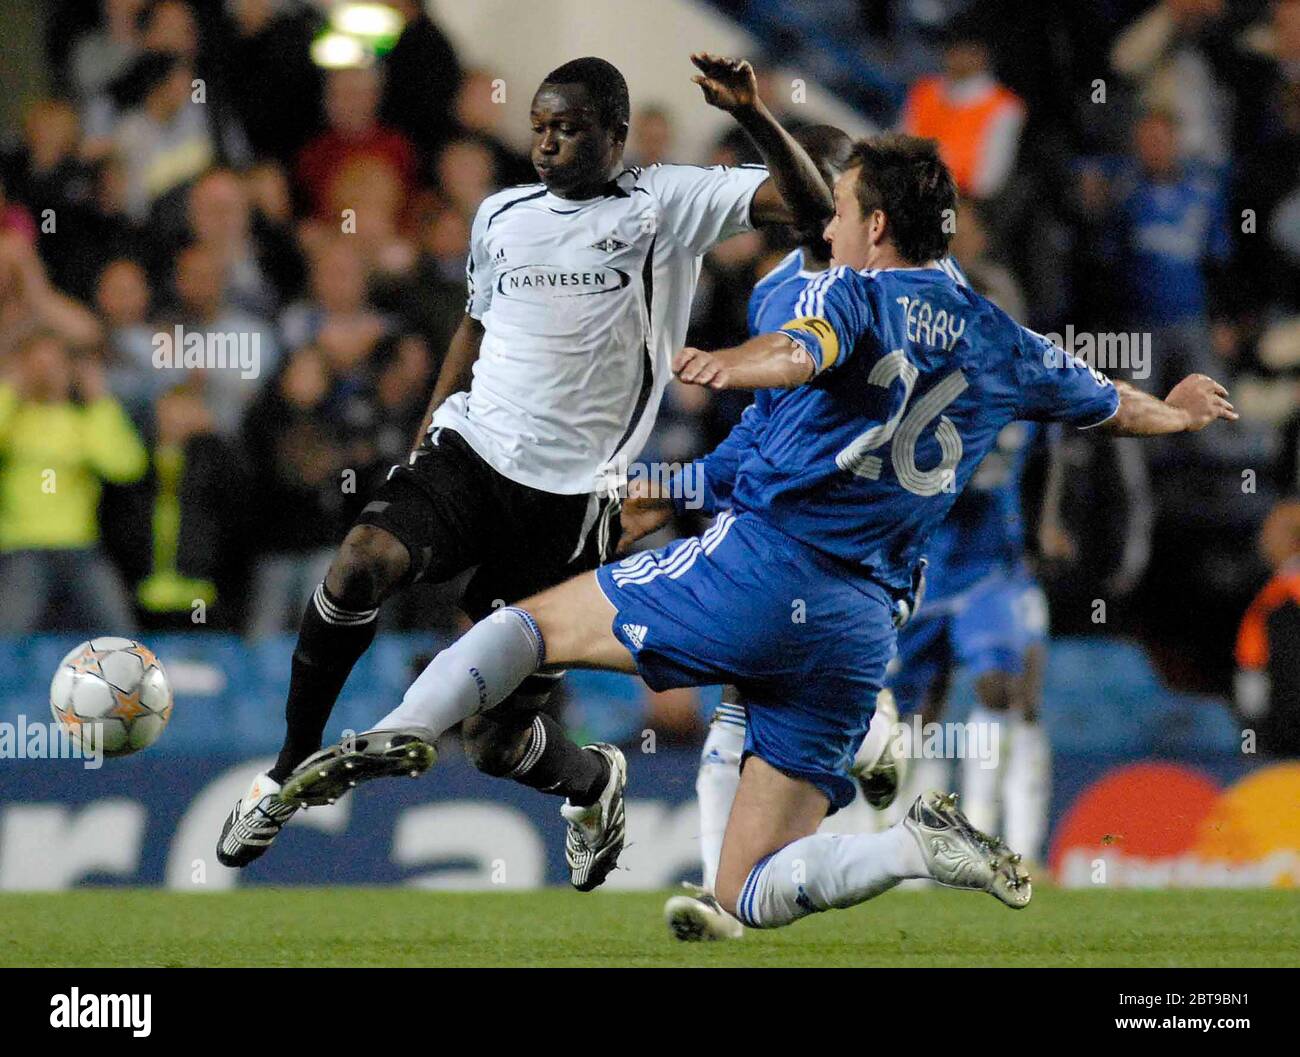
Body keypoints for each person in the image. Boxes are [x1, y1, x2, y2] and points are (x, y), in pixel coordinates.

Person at [274, 133, 1235, 929]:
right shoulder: (998, 333)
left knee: (523, 625)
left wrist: (733, 364)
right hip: (862, 626)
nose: (830, 220)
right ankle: (911, 845)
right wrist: (1182, 412)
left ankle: (397, 732)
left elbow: (799, 350)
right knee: (746, 889)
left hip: (767, 566)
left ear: (876, 224)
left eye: (843, 205)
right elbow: (1105, 403)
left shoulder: (853, 294)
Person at [215, 54, 836, 890]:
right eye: (539, 127)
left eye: (568, 128)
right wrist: (432, 420)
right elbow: (475, 325)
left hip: (574, 500)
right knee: (361, 560)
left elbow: (813, 205)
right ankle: (286, 768)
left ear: (615, 135)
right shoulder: (502, 214)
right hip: (473, 453)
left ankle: (593, 783)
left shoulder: (669, 203)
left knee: (497, 741)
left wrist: (755, 114)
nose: (546, 144)